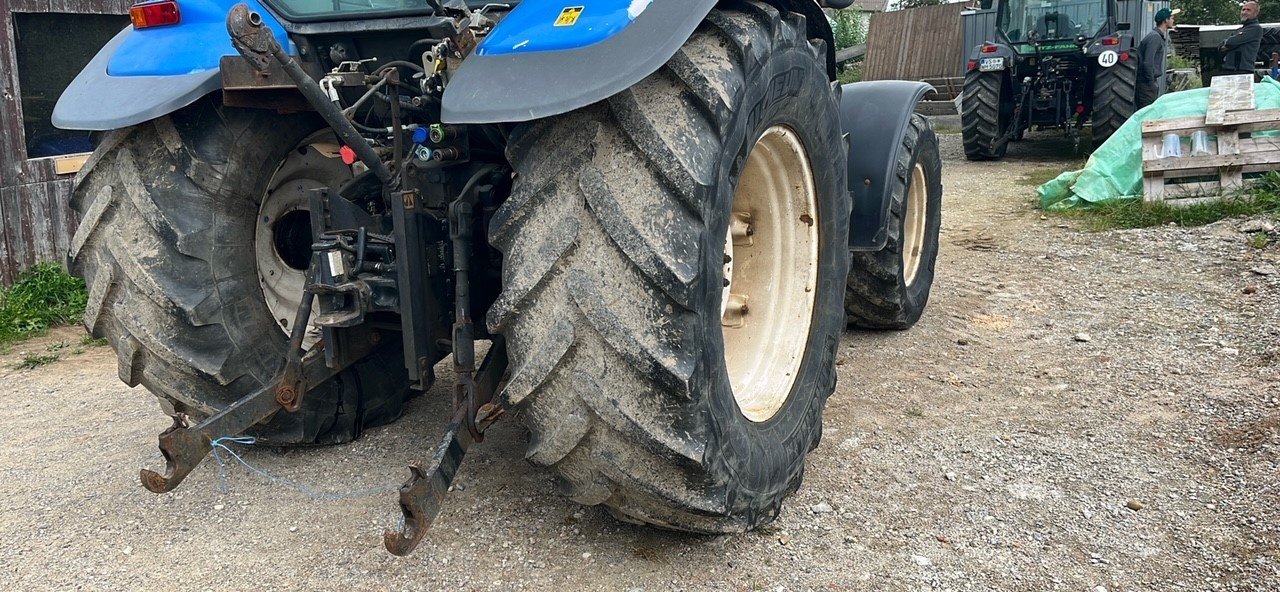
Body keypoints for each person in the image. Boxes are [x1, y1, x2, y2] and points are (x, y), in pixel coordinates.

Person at [1137, 7, 1179, 109]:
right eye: (1172, 18)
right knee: (1146, 113)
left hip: (1147, 83)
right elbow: (1148, 62)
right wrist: (1151, 83)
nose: (1173, 20)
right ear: (1166, 20)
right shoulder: (1154, 37)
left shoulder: (1156, 36)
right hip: (1145, 84)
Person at [1219, 1, 1264, 79]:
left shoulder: (1255, 28)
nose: (1245, 12)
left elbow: (1230, 42)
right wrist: (1229, 43)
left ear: (1256, 13)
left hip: (1243, 72)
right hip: (1229, 70)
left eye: (1248, 10)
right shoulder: (1239, 30)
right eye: (1243, 9)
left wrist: (1228, 43)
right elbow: (1220, 47)